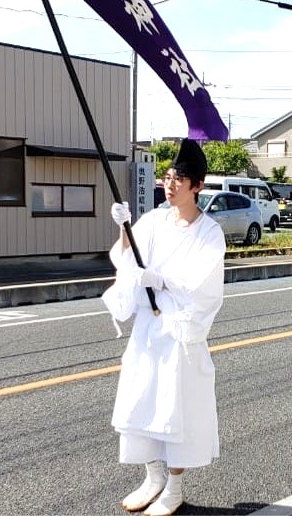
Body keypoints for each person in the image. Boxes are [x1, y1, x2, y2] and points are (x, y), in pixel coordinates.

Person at [102, 139, 225, 516]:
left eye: (180, 179)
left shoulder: (210, 232)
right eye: (168, 178)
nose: (171, 185)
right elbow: (126, 258)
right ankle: (152, 477)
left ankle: (173, 487)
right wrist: (124, 226)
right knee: (140, 403)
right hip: (147, 333)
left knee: (176, 410)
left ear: (197, 186)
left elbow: (200, 283)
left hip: (179, 334)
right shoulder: (154, 220)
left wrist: (158, 278)